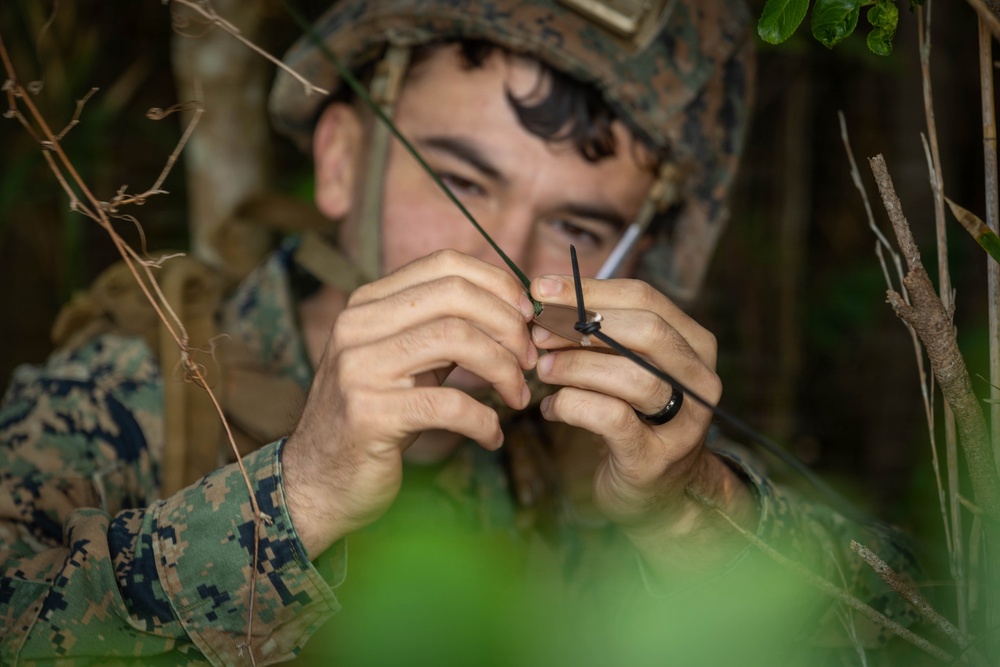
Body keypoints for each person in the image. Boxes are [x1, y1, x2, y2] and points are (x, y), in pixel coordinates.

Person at [0, 0, 927, 665]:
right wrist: (301, 491)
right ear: (340, 159)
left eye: (581, 228)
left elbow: (923, 632)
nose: (504, 256)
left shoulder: (599, 461)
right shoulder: (127, 395)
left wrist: (694, 510)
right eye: (460, 183)